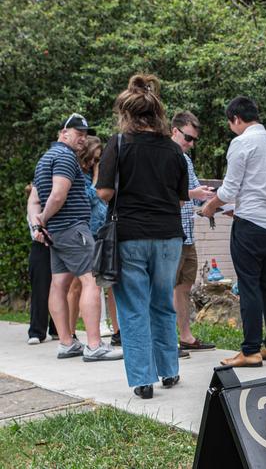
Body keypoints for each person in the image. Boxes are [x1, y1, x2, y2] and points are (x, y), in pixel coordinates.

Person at [97, 74, 188, 398]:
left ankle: (143, 379)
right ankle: (170, 370)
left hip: (130, 236)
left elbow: (105, 192)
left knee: (133, 307)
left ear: (127, 114)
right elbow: (180, 198)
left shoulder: (118, 144)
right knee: (162, 303)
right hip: (168, 237)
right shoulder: (173, 150)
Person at [28, 113, 122, 362]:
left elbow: (34, 199)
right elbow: (58, 195)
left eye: (84, 135)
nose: (82, 139)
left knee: (59, 284)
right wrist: (43, 220)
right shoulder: (65, 157)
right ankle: (94, 345)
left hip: (57, 233)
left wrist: (38, 225)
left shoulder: (45, 158)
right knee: (92, 281)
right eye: (78, 134)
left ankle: (66, 343)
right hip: (72, 229)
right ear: (63, 132)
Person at [201, 96, 266, 368]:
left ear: (237, 118)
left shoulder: (241, 143)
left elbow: (228, 190)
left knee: (249, 286)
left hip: (249, 224)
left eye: (231, 124)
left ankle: (250, 350)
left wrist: (210, 206)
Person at [170, 111, 216, 355]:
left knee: (184, 287)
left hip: (187, 234)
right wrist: (195, 195)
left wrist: (214, 201)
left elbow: (195, 194)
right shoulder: (166, 155)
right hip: (170, 234)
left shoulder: (185, 159)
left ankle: (186, 337)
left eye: (194, 139)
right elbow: (165, 193)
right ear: (174, 131)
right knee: (166, 288)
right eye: (188, 137)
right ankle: (167, 341)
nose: (190, 143)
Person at [67, 136, 120, 344]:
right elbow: (89, 197)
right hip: (84, 233)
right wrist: (98, 175)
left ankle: (117, 331)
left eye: (99, 159)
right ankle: (71, 334)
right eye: (94, 159)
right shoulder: (79, 174)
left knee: (111, 282)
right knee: (78, 284)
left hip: (103, 231)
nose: (95, 163)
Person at [25, 184, 58, 344]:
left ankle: (57, 328)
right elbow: (34, 227)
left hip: (59, 243)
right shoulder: (35, 202)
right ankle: (37, 332)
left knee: (61, 288)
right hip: (40, 246)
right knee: (40, 289)